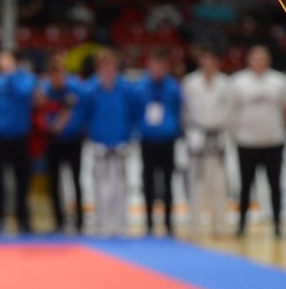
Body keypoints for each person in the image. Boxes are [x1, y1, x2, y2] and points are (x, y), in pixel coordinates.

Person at [231, 45, 286, 238]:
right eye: (255, 58)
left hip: (274, 140)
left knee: (275, 185)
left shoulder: (280, 81)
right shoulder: (238, 82)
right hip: (247, 142)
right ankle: (242, 224)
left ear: (269, 61)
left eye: (262, 58)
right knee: (245, 185)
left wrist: (283, 128)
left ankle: (277, 224)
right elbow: (233, 110)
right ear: (249, 60)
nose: (259, 61)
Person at [78, 50, 139, 237]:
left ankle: (119, 223)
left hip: (121, 143)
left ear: (116, 67)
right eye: (104, 65)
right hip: (99, 144)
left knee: (120, 186)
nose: (107, 69)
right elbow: (84, 116)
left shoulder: (125, 89)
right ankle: (102, 223)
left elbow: (133, 114)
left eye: (111, 65)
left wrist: (129, 138)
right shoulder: (90, 89)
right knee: (101, 187)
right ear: (98, 67)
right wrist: (91, 139)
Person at [181, 50, 234, 236]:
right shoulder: (190, 82)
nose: (208, 65)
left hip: (218, 135)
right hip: (197, 135)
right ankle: (194, 226)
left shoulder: (225, 83)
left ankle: (220, 226)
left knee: (219, 184)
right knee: (196, 183)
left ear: (217, 63)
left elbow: (230, 111)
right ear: (200, 63)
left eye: (211, 61)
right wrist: (190, 134)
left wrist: (226, 133)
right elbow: (185, 112)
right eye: (205, 61)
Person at [133, 53, 183, 236]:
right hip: (148, 140)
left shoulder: (173, 87)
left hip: (167, 140)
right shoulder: (140, 87)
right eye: (154, 65)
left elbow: (178, 109)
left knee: (168, 182)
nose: (157, 70)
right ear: (149, 65)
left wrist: (173, 129)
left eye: (161, 65)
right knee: (148, 182)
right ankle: (149, 223)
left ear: (166, 66)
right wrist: (141, 129)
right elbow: (136, 111)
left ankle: (169, 223)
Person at [0, 50, 35, 235]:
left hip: (19, 137)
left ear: (14, 62)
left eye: (6, 60)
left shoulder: (25, 79)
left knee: (22, 180)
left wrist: (12, 74)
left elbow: (24, 93)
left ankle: (23, 219)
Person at [38, 61, 87, 233]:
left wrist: (65, 125)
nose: (58, 79)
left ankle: (80, 220)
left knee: (76, 180)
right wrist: (50, 127)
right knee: (54, 182)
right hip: (53, 141)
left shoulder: (75, 89)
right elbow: (40, 114)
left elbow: (80, 114)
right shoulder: (44, 91)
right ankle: (59, 221)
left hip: (73, 140)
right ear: (50, 77)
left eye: (60, 75)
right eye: (54, 76)